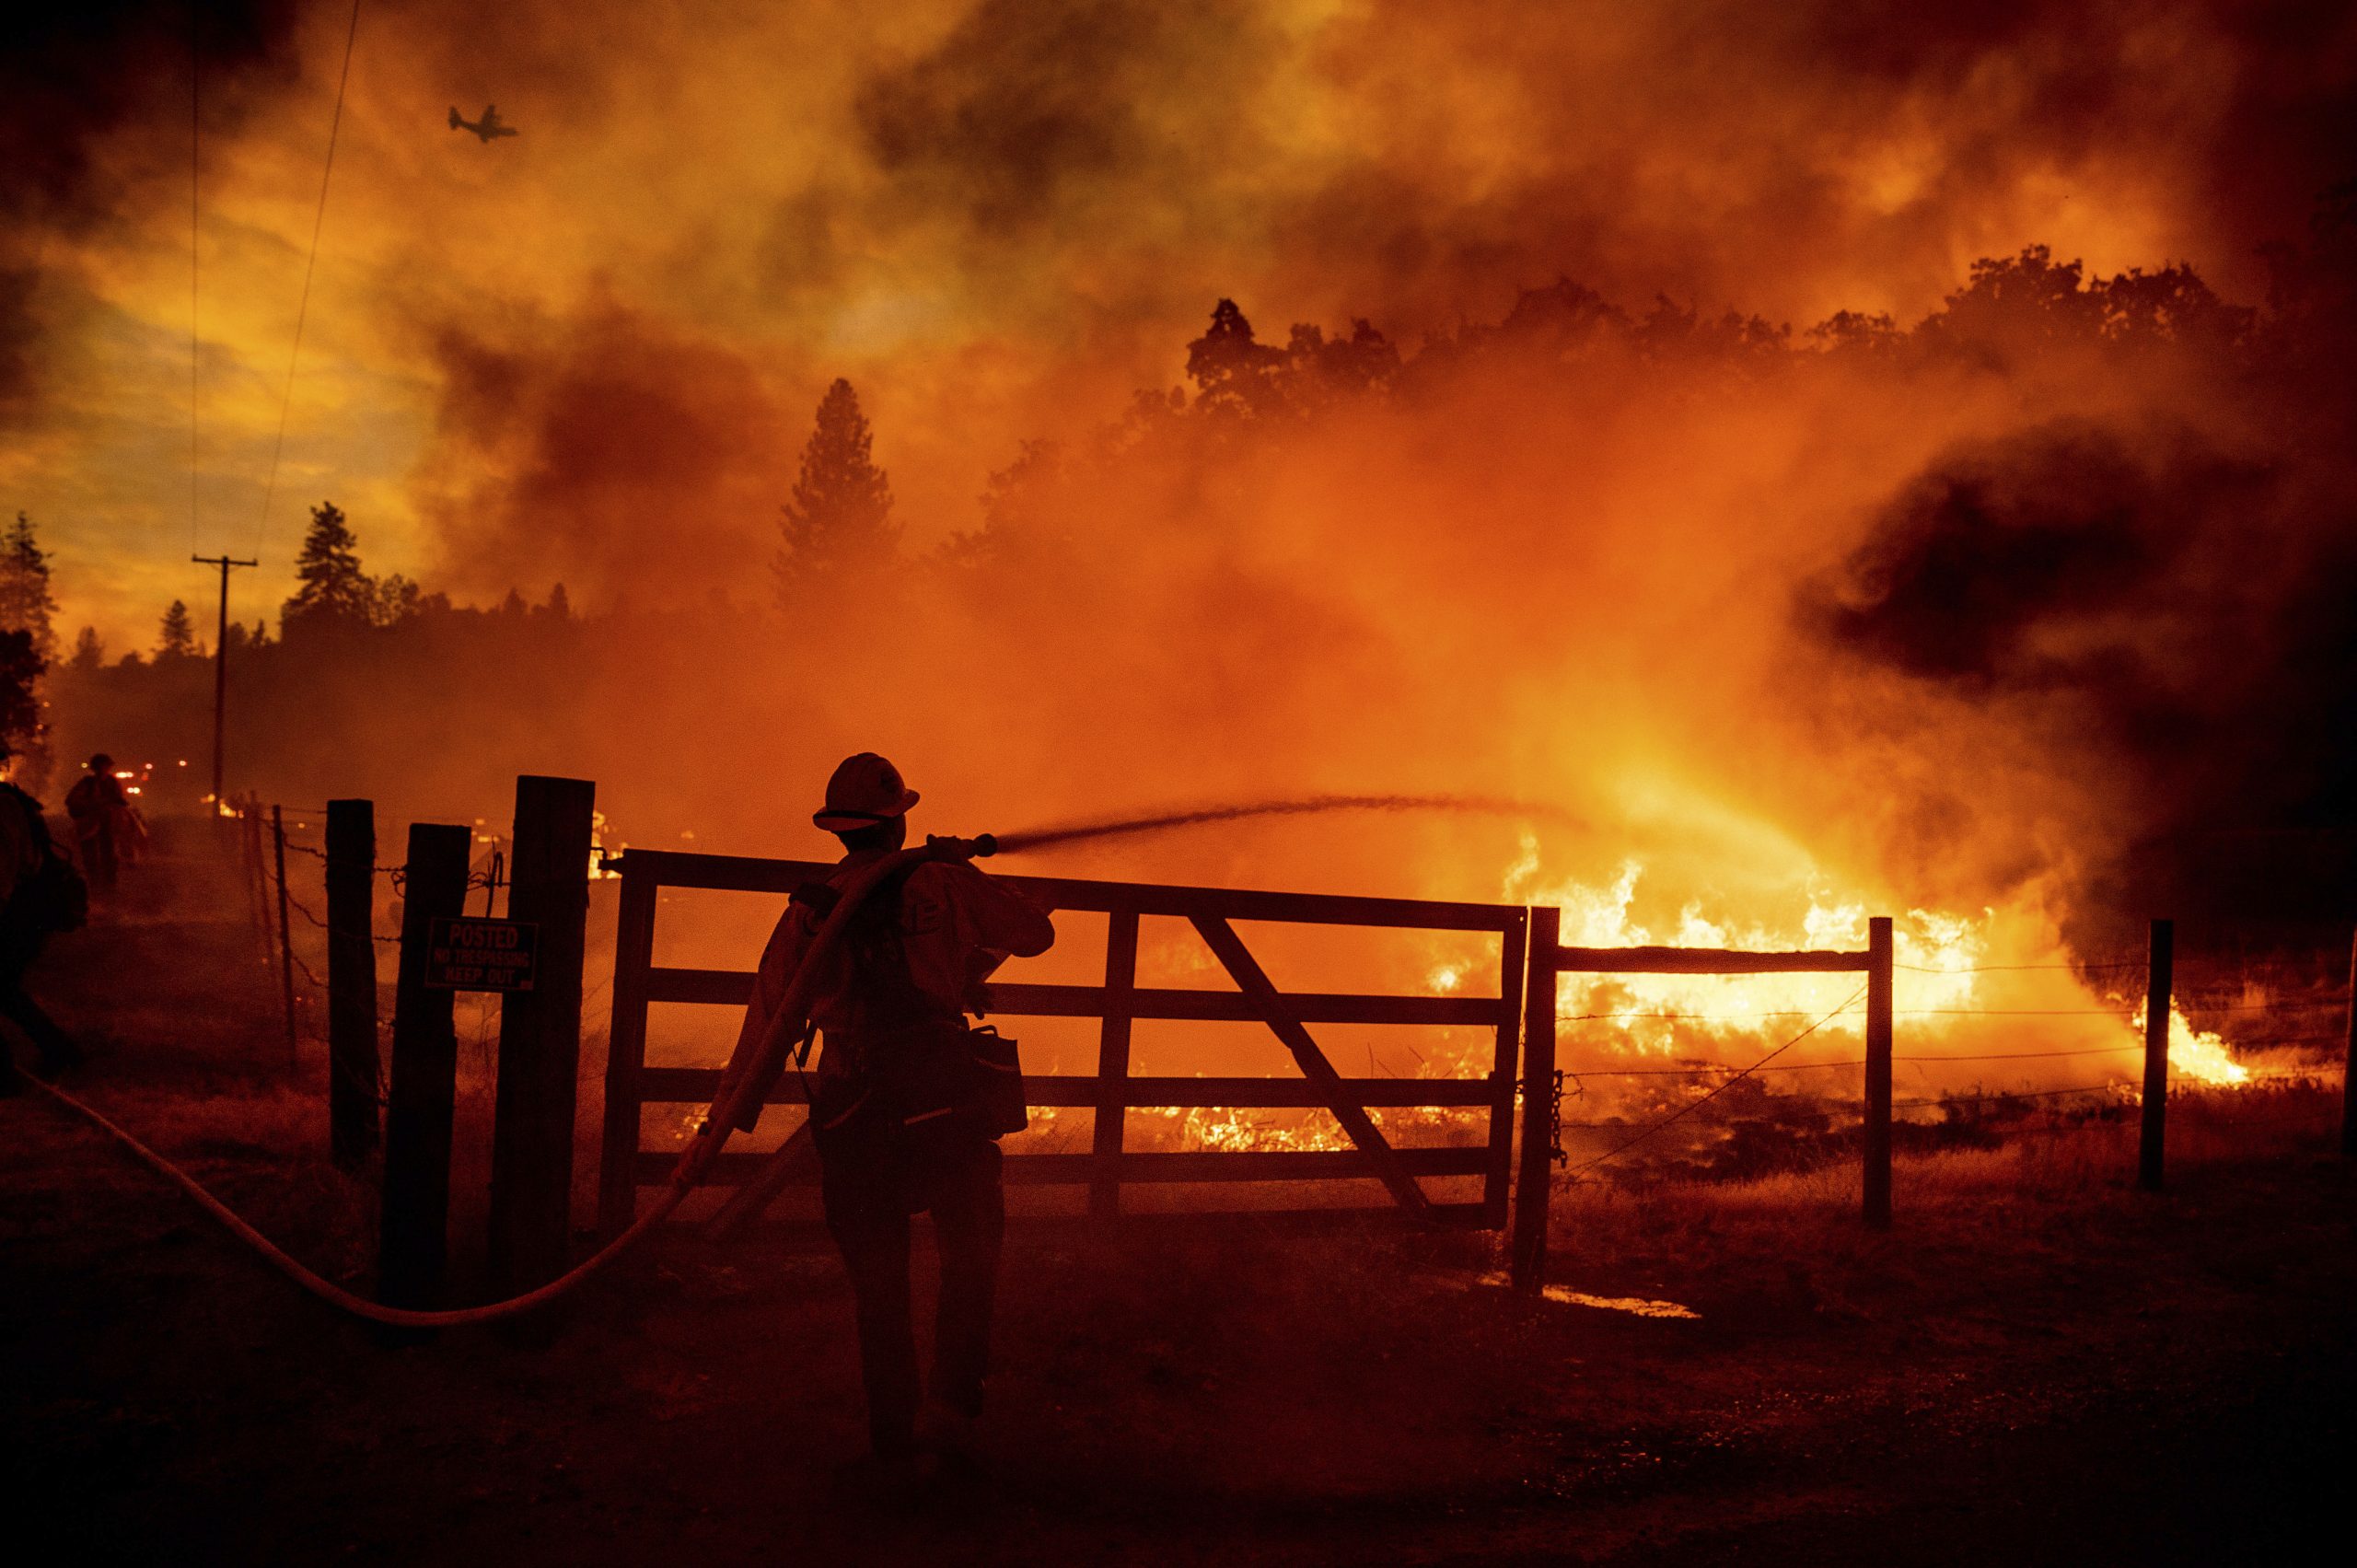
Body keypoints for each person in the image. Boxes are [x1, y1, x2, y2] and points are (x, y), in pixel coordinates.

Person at [732, 752, 1053, 1480]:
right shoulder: (937, 882)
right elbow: (1035, 931)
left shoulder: (810, 908)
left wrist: (728, 1118)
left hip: (853, 1105)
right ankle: (950, 1406)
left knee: (879, 1279)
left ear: (839, 831)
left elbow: (771, 1015)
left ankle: (894, 1438)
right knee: (972, 1248)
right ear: (900, 818)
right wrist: (959, 878)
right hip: (942, 1099)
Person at [0, 747, 86, 1094]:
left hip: (18, 910)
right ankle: (60, 1051)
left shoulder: (3, 806)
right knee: (4, 989)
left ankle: (6, 1076)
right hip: (18, 908)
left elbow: (4, 865)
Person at [64, 753, 141, 897]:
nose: (103, 770)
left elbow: (119, 799)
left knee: (110, 855)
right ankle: (94, 886)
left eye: (105, 766)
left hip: (109, 825)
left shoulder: (112, 782)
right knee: (91, 856)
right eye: (100, 767)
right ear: (95, 768)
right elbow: (72, 800)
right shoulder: (87, 783)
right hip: (90, 824)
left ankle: (109, 886)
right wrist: (94, 805)